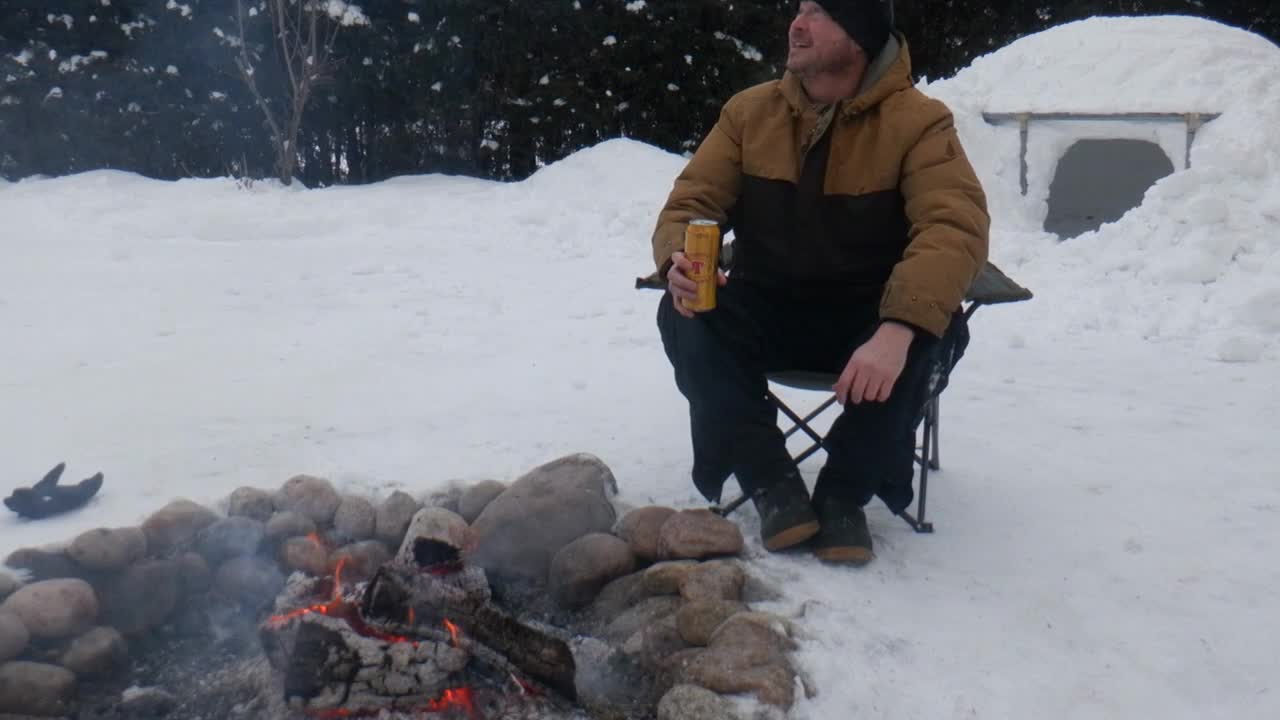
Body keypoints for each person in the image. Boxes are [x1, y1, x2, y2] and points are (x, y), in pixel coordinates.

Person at [651, 0, 989, 565]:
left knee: (933, 327)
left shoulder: (919, 122)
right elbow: (692, 202)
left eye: (819, 13)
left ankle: (844, 494)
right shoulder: (748, 113)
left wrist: (898, 328)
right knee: (682, 313)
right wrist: (679, 261)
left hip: (867, 321)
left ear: (857, 38)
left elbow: (953, 228)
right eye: (798, 8)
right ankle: (771, 483)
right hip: (768, 308)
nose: (796, 24)